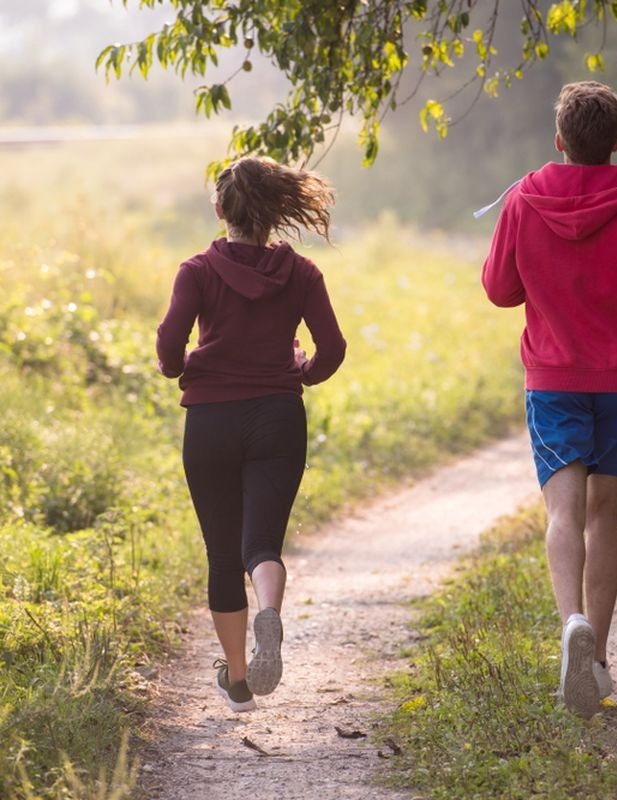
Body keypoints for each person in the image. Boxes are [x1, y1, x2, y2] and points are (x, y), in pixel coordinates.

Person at [480, 81, 617, 718]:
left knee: (562, 513)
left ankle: (571, 621)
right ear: (616, 142)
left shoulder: (523, 198)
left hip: (553, 378)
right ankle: (596, 657)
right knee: (605, 513)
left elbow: (497, 287)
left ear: (559, 140)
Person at [156, 156, 346, 712]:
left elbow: (169, 352)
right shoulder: (304, 274)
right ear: (274, 211)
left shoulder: (196, 271)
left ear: (220, 210)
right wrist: (301, 371)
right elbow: (332, 349)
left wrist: (187, 361)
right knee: (261, 543)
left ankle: (238, 679)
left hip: (210, 421)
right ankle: (270, 612)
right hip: (277, 417)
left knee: (221, 553)